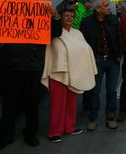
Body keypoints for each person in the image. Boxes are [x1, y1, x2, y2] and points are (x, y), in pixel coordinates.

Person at [0, 0, 62, 151]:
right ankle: (6, 137)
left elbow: (56, 32)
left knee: (31, 104)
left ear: (37, 0)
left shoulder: (44, 15)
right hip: (11, 67)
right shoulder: (10, 15)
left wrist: (55, 15)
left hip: (33, 67)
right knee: (9, 104)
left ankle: (30, 134)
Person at [41, 8, 97, 143]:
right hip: (58, 72)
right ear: (61, 17)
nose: (69, 18)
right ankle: (55, 131)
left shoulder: (77, 33)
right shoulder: (54, 31)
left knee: (72, 102)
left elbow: (85, 49)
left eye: (72, 16)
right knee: (57, 104)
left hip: (74, 70)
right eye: (66, 15)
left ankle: (69, 127)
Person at [80, 0, 121, 131]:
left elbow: (120, 37)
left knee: (111, 91)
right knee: (94, 91)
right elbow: (83, 42)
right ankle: (93, 118)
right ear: (97, 8)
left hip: (112, 61)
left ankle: (110, 117)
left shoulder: (114, 20)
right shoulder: (86, 22)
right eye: (106, 6)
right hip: (95, 61)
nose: (109, 8)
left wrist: (119, 54)